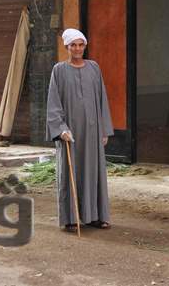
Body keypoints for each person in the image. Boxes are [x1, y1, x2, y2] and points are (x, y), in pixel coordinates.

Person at [46, 28, 114, 232]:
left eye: (80, 44)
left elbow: (102, 99)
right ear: (66, 47)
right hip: (71, 133)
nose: (77, 49)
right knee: (70, 173)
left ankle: (95, 216)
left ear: (85, 46)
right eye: (73, 45)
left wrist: (104, 129)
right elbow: (53, 102)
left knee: (94, 172)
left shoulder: (94, 68)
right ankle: (70, 219)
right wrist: (61, 129)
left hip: (93, 132)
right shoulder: (59, 70)